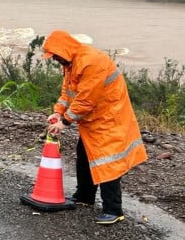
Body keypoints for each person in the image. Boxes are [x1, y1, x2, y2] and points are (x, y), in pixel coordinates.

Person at [43, 30, 147, 225]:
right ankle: (84, 196)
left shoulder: (91, 62)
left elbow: (86, 99)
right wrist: (58, 112)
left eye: (55, 55)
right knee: (84, 156)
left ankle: (114, 210)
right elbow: (68, 92)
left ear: (64, 50)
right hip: (93, 120)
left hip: (109, 118)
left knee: (108, 161)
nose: (54, 59)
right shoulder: (71, 63)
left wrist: (64, 122)